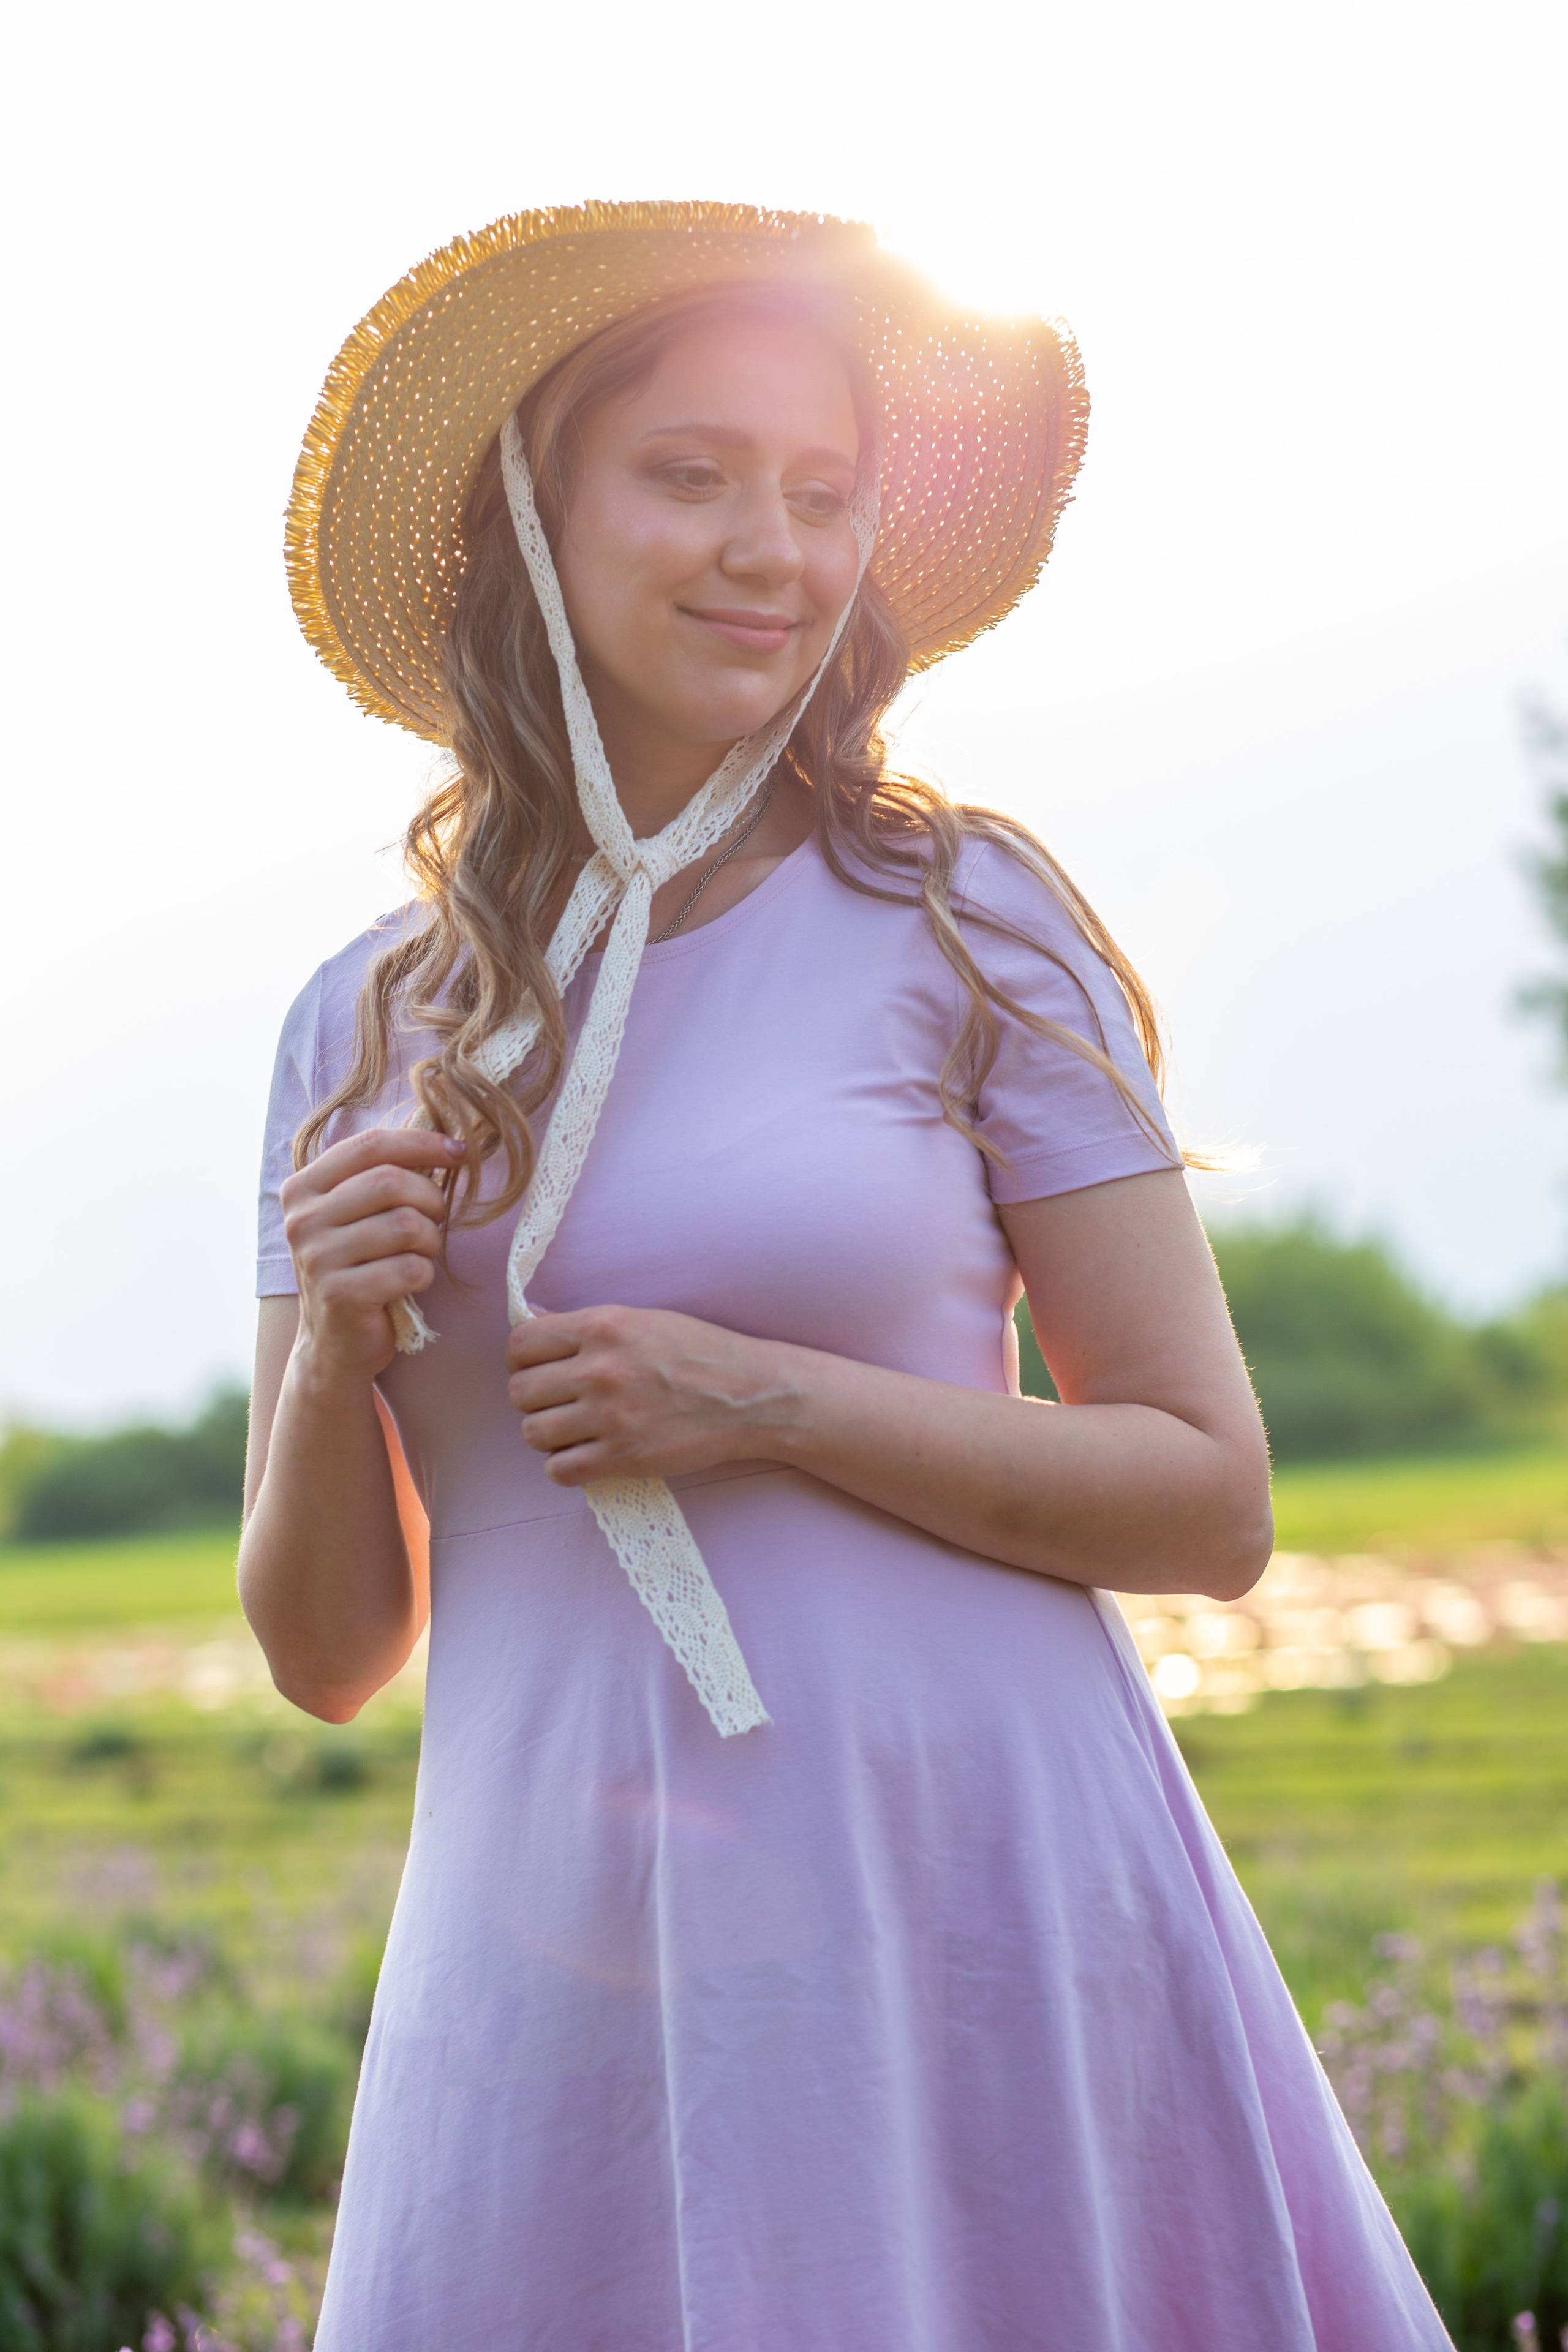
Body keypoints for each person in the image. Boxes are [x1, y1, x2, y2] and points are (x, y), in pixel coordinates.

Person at [243, 203, 1451, 2348]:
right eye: (691, 476)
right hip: (558, 1948)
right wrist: (341, 1337)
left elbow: (1209, 1499)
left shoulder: (964, 916)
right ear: (534, 507)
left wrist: (766, 1404)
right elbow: (330, 1648)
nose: (770, 551)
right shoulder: (360, 1027)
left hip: (970, 1905)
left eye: (822, 496)